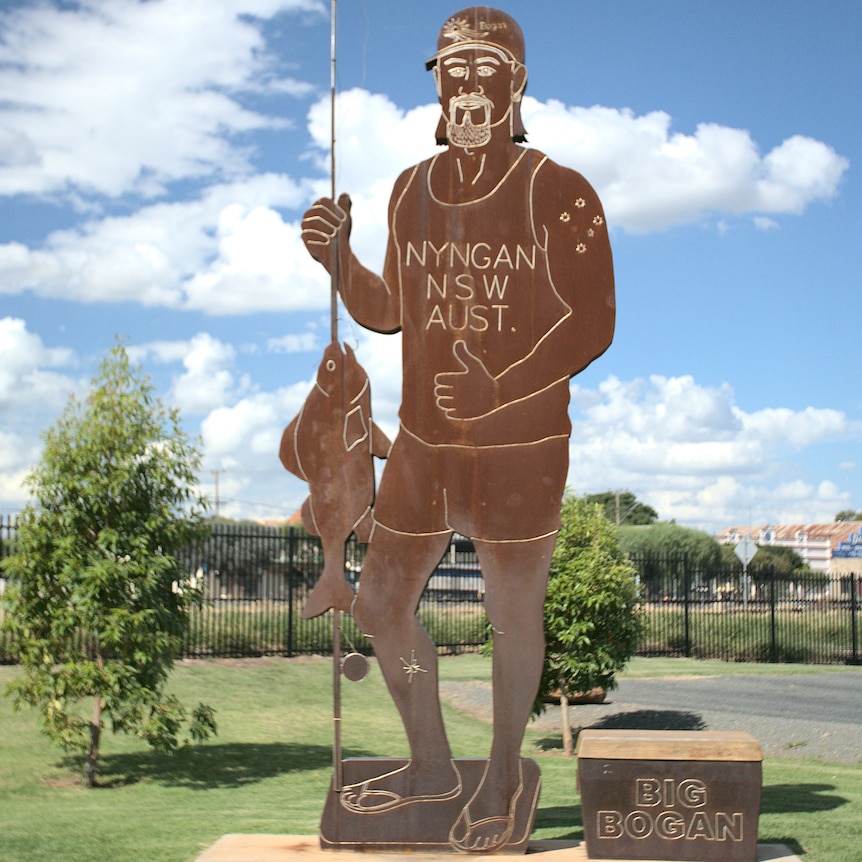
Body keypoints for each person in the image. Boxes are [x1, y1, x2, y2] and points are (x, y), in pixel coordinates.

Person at [301, 6, 615, 852]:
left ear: (516, 83)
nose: (469, 84)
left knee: (512, 615)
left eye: (487, 67)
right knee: (377, 604)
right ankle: (434, 766)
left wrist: (501, 389)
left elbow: (592, 322)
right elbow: (389, 311)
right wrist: (340, 264)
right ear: (436, 82)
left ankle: (505, 778)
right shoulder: (409, 189)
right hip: (424, 444)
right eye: (453, 67)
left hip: (522, 446)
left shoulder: (559, 188)